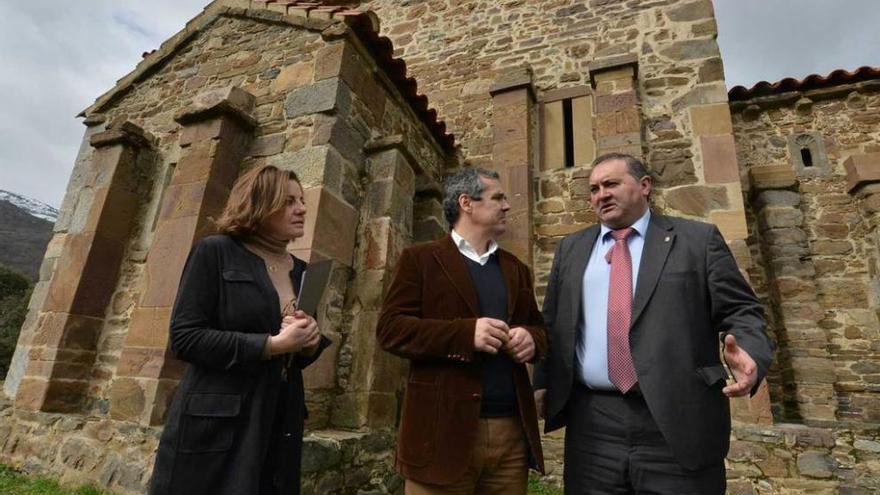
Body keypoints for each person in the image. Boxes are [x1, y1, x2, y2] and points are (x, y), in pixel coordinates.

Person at [534, 153, 774, 494]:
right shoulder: (572, 249)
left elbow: (742, 310)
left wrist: (750, 352)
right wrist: (542, 381)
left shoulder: (697, 241)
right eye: (594, 189)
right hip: (592, 424)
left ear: (644, 185)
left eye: (611, 184)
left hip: (677, 420)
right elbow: (553, 322)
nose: (601, 194)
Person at [149, 165, 331, 495]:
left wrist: (308, 341)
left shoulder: (303, 271)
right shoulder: (216, 252)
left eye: (302, 200)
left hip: (279, 416)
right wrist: (271, 345)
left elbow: (298, 351)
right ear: (259, 204)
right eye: (289, 201)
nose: (302, 208)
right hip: (217, 420)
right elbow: (185, 337)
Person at [377, 167, 547, 495]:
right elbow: (390, 329)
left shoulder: (516, 269)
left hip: (511, 435)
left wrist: (530, 339)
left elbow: (539, 329)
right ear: (466, 203)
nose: (507, 205)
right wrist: (465, 334)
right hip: (441, 435)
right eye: (498, 197)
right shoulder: (420, 259)